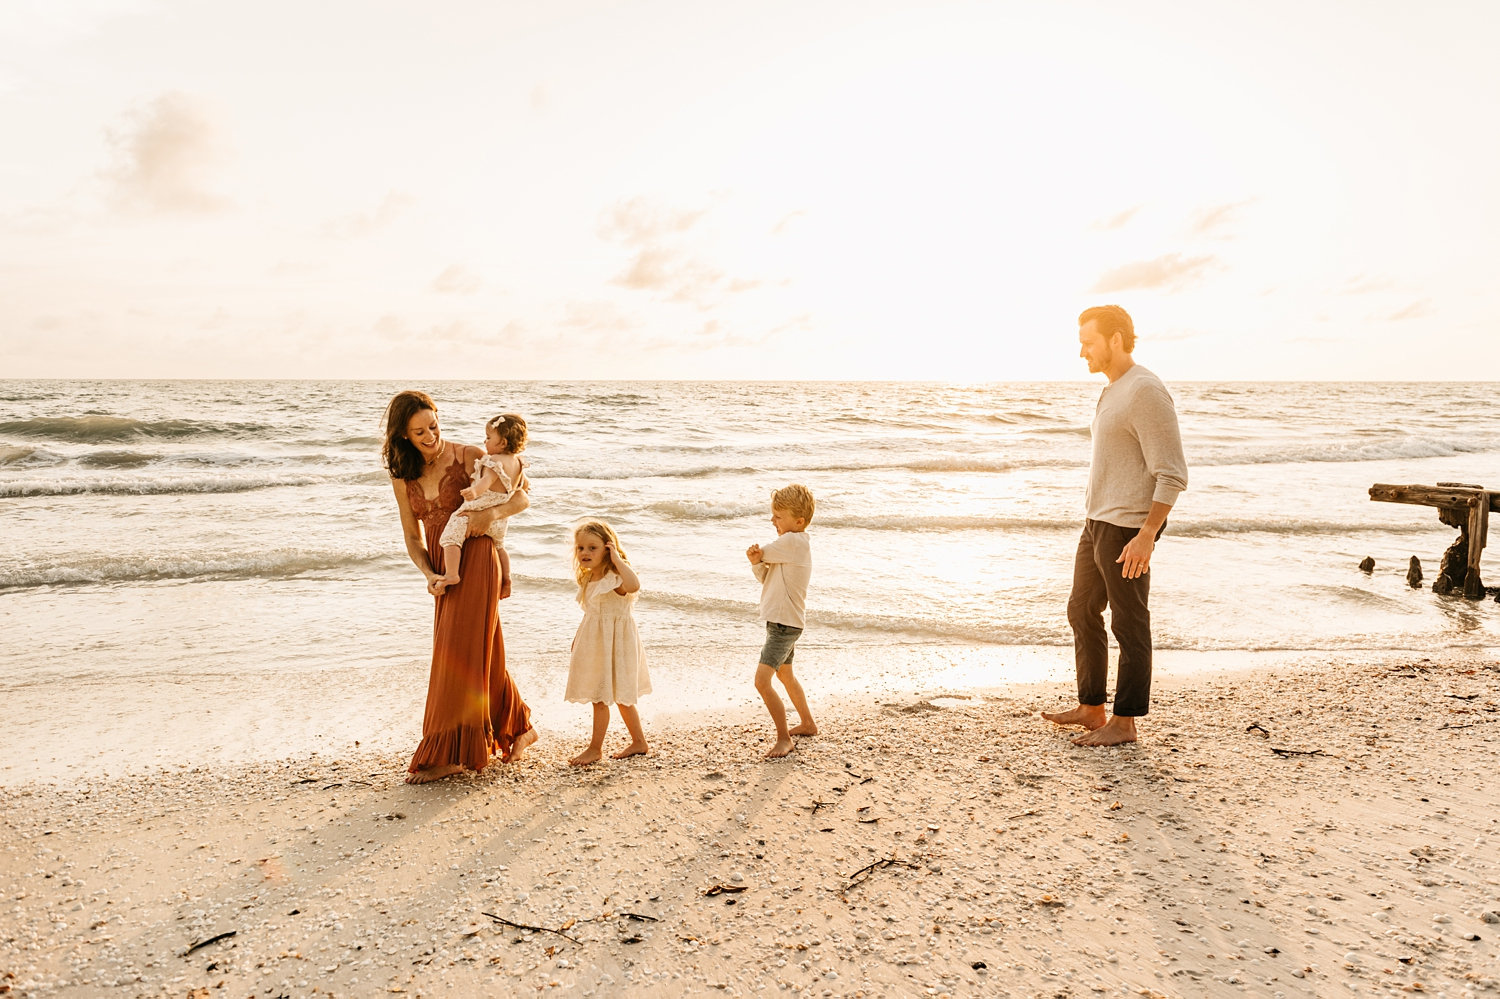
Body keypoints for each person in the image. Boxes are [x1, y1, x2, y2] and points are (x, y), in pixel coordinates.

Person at [1042, 306, 1188, 747]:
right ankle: (1092, 707)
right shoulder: (1113, 389)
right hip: (1097, 523)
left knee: (1129, 623)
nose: (1082, 350)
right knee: (1081, 610)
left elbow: (1173, 472)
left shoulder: (1145, 390)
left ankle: (1124, 723)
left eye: (1088, 341)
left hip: (1127, 529)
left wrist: (1147, 535)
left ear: (1116, 340)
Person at [383, 390, 538, 784]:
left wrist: (491, 513)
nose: (430, 435)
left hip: (478, 557)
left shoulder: (469, 455)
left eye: (433, 425)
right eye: (419, 431)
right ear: (403, 435)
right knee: (480, 652)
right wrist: (429, 574)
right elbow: (413, 539)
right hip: (444, 567)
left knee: (456, 652)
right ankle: (520, 728)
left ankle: (449, 752)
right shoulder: (402, 474)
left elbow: (520, 495)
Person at [563, 520, 651, 766]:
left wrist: (618, 560)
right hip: (595, 644)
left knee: (619, 695)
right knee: (598, 693)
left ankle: (598, 748)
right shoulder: (589, 579)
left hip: (618, 645)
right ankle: (637, 742)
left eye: (593, 548)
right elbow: (590, 613)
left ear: (608, 548)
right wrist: (577, 639)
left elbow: (634, 585)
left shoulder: (616, 578)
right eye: (580, 548)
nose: (585, 553)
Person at [746, 484, 817, 759]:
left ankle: (783, 738)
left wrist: (755, 555)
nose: (772, 521)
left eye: (778, 516)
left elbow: (763, 553)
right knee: (785, 675)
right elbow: (766, 577)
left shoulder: (792, 542)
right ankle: (808, 723)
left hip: (782, 625)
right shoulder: (790, 547)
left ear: (798, 521)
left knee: (762, 682)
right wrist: (756, 563)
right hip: (785, 622)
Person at [432, 413, 530, 598]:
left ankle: (452, 574)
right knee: (500, 546)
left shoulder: (495, 461)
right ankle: (507, 577)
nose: (485, 442)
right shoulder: (518, 462)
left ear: (502, 443)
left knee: (450, 535)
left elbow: (486, 480)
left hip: (479, 509)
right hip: (501, 520)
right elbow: (523, 485)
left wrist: (474, 491)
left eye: (488, 437)